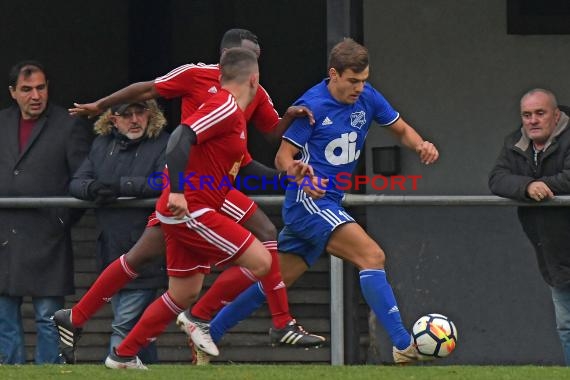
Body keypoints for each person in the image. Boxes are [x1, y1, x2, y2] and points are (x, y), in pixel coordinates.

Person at [53, 28, 322, 365]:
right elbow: (164, 111)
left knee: (170, 277)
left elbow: (259, 146)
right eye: (245, 54)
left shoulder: (250, 99)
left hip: (211, 187)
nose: (254, 62)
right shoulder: (204, 84)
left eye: (256, 54)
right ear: (228, 58)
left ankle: (101, 338)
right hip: (192, 189)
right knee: (261, 251)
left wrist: (288, 140)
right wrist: (102, 105)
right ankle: (241, 320)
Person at [200, 38, 440, 365]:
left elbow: (399, 129)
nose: (359, 88)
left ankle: (208, 334)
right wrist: (300, 174)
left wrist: (421, 144)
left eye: (363, 81)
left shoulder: (367, 97)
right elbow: (283, 157)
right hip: (309, 201)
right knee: (372, 255)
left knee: (274, 281)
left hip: (329, 203)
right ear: (334, 74)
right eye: (353, 81)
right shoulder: (312, 104)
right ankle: (402, 344)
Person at [0, 60, 92, 364]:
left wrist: (60, 221)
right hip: (4, 237)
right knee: (5, 320)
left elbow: (82, 179)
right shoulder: (0, 122)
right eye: (27, 89)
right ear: (13, 92)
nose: (35, 95)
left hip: (47, 239)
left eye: (41, 87)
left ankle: (48, 374)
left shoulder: (68, 124)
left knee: (47, 319)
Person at [68, 100, 169, 363]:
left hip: (147, 250)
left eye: (140, 113)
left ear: (150, 114)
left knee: (124, 326)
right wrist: (93, 189)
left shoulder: (164, 142)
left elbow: (163, 181)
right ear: (113, 119)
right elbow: (77, 182)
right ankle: (146, 367)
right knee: (137, 329)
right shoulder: (101, 145)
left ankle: (117, 363)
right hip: (111, 250)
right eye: (126, 115)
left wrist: (120, 186)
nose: (134, 119)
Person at [489, 88, 570, 366]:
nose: (533, 120)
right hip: (554, 255)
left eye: (540, 113)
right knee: (567, 327)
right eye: (527, 115)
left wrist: (544, 186)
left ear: (556, 115)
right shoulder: (515, 143)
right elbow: (497, 178)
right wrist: (527, 186)